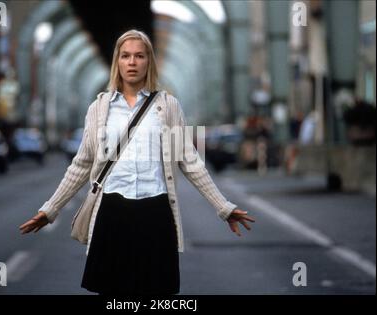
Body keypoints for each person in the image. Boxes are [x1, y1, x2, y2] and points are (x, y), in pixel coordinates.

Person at [19, 29, 255, 295]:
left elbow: (190, 162)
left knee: (156, 296)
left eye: (139, 56)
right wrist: (50, 210)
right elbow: (81, 164)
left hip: (156, 212)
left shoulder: (168, 106)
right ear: (117, 62)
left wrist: (223, 207)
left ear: (149, 62)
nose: (132, 62)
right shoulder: (99, 108)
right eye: (126, 56)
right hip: (111, 211)